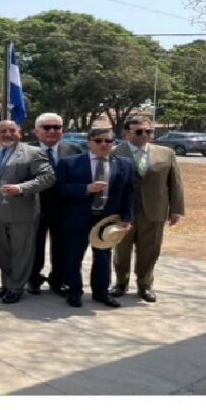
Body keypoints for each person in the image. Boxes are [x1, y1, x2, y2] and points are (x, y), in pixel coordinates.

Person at [56, 127, 135, 308]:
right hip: (77, 218)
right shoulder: (70, 163)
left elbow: (129, 193)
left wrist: (127, 218)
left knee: (103, 257)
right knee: (73, 257)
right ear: (89, 142)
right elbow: (59, 189)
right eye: (99, 141)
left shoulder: (124, 164)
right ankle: (74, 292)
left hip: (106, 220)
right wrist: (85, 189)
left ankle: (101, 293)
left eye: (108, 141)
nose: (103, 144)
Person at [111, 117, 184, 302]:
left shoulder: (166, 153)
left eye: (148, 131)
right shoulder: (114, 152)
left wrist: (176, 209)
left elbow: (175, 183)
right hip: (123, 212)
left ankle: (145, 285)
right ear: (126, 133)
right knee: (122, 250)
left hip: (154, 210)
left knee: (150, 250)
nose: (144, 135)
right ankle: (120, 283)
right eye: (138, 131)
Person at [0, 120, 55, 304]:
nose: (7, 134)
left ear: (20, 133)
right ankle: (7, 283)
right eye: (3, 131)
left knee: (21, 252)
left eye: (11, 130)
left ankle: (16, 287)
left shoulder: (32, 153)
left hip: (22, 213)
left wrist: (21, 188)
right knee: (3, 252)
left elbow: (48, 177)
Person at [27, 113, 83, 296]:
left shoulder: (74, 149)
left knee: (62, 246)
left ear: (62, 130)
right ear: (36, 131)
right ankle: (33, 279)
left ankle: (59, 280)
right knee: (35, 245)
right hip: (34, 206)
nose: (52, 131)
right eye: (46, 127)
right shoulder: (26, 150)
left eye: (56, 127)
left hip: (65, 208)